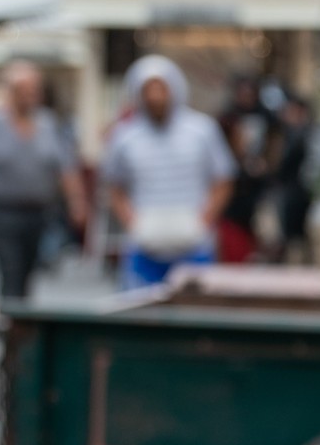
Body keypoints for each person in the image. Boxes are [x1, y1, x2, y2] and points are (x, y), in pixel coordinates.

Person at [0, 61, 88, 300]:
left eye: (34, 89)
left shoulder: (48, 124)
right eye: (25, 89)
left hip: (37, 214)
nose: (30, 95)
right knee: (10, 266)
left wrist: (77, 202)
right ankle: (11, 318)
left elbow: (66, 169)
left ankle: (17, 318)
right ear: (11, 91)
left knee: (27, 270)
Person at [100, 55, 235, 289]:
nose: (155, 97)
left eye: (160, 89)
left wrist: (203, 220)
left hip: (194, 245)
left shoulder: (201, 130)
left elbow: (223, 178)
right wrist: (133, 223)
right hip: (145, 246)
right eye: (148, 90)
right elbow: (114, 184)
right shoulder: (124, 136)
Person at [217, 74, 279, 263]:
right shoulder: (228, 116)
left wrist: (266, 165)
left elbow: (276, 145)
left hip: (259, 192)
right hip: (234, 197)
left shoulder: (267, 116)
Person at [273, 93, 316, 264]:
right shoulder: (285, 132)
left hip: (297, 191)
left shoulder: (302, 134)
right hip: (289, 190)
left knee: (294, 234)